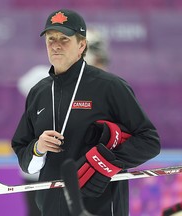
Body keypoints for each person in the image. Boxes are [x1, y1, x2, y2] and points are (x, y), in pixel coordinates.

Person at [11, 9, 160, 216]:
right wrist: (38, 148)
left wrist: (105, 161)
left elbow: (149, 141)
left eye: (64, 39)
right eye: (51, 39)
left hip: (101, 207)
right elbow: (23, 151)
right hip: (52, 207)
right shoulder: (39, 92)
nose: (56, 45)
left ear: (82, 45)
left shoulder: (110, 87)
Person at [17, 28, 110, 216]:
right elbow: (26, 83)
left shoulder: (102, 86)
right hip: (41, 172)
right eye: (97, 60)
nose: (101, 67)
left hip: (75, 174)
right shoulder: (43, 78)